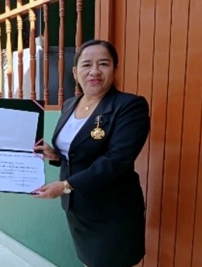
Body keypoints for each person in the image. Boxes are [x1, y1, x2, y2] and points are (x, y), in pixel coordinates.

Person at [34, 39, 150, 267]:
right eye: (87, 65)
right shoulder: (69, 104)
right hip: (78, 208)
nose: (94, 71)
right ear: (76, 72)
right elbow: (77, 151)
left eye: (103, 64)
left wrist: (65, 185)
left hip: (112, 210)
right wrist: (55, 155)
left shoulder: (129, 106)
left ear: (115, 69)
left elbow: (116, 160)